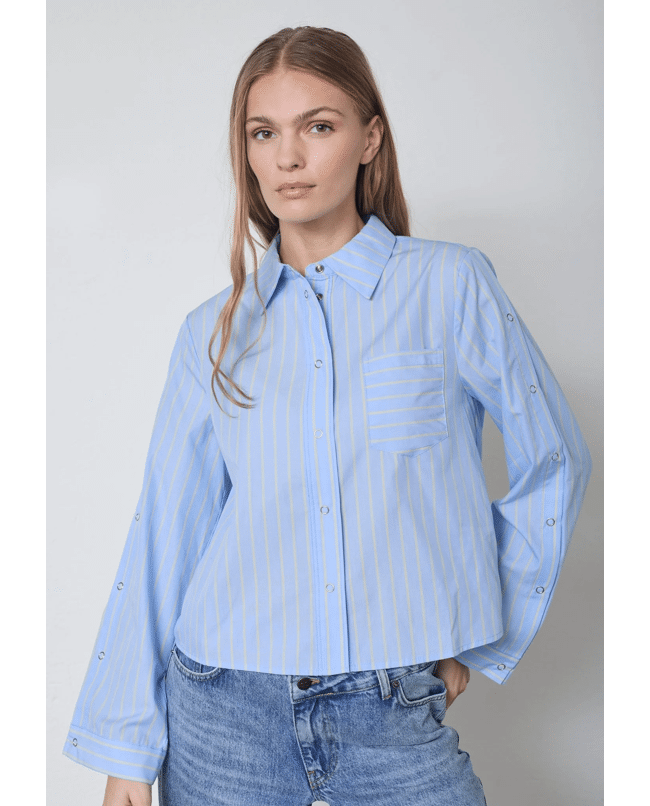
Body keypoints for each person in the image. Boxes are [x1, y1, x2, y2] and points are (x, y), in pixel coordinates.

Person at [62, 25, 592, 806]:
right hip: (221, 708)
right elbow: (165, 536)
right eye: (263, 133)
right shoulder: (214, 332)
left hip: (392, 704)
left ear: (369, 139)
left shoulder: (450, 287)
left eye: (317, 126)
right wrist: (126, 753)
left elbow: (555, 460)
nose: (288, 157)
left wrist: (484, 636)